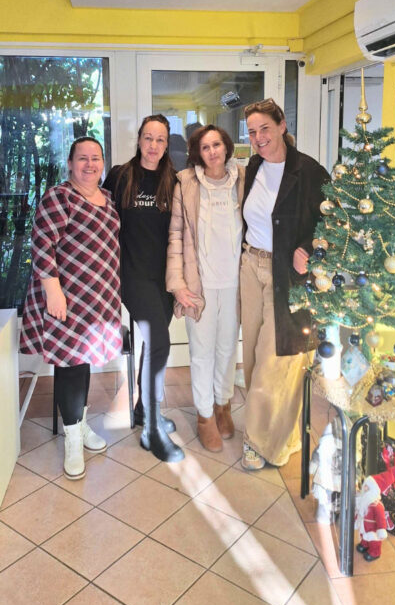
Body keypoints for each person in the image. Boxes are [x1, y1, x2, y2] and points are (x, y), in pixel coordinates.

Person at [20, 138, 120, 479]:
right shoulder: (59, 197)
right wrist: (53, 292)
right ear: (70, 163)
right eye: (82, 158)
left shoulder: (107, 199)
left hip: (99, 299)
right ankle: (73, 438)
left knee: (84, 361)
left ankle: (79, 423)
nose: (89, 164)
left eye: (95, 158)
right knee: (70, 364)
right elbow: (42, 244)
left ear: (103, 163)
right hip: (67, 298)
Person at [240, 98, 329, 470]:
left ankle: (259, 443)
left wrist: (307, 248)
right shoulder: (254, 166)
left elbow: (331, 221)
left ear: (282, 126)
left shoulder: (309, 171)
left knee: (277, 359)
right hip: (251, 266)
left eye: (264, 128)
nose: (259, 137)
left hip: (287, 275)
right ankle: (281, 434)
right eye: (252, 132)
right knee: (252, 356)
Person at [104, 115, 183, 463]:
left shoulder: (174, 181)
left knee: (154, 343)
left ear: (167, 145)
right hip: (132, 275)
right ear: (138, 140)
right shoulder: (120, 176)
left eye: (160, 140)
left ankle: (141, 410)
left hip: (163, 278)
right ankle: (151, 425)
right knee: (160, 342)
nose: (153, 145)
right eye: (148, 138)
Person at [167, 125, 244, 452]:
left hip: (235, 282)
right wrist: (177, 284)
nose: (212, 152)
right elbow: (175, 236)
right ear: (197, 153)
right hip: (200, 284)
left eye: (217, 145)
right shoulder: (185, 183)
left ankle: (222, 403)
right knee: (201, 353)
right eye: (205, 147)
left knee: (227, 349)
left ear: (226, 147)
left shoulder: (242, 178)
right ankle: (204, 415)